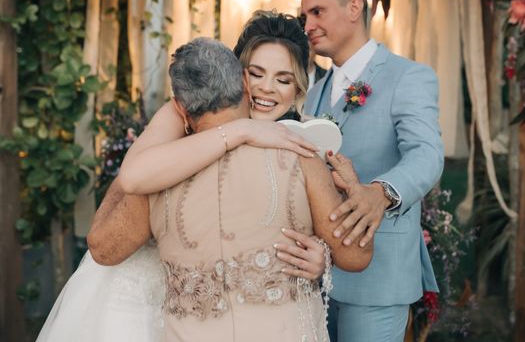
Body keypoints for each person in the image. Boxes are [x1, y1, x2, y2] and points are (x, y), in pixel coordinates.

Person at [35, 12, 328, 342]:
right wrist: (242, 129)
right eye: (256, 74)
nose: (266, 88)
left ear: (300, 86)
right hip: (167, 299)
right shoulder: (187, 112)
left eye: (283, 79)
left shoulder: (304, 142)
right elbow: (130, 182)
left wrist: (321, 258)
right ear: (239, 77)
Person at [96, 37, 372, 341]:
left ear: (179, 107)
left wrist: (145, 151)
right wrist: (353, 192)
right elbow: (356, 257)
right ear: (244, 82)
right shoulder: (300, 153)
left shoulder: (154, 176)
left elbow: (103, 249)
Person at [298, 0, 444, 342]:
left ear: (353, 7)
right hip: (318, 273)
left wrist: (381, 193)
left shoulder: (408, 76)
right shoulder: (314, 94)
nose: (308, 25)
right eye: (304, 17)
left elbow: (427, 154)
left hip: (379, 274)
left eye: (317, 12)